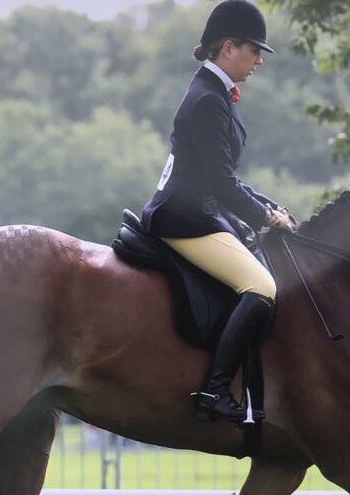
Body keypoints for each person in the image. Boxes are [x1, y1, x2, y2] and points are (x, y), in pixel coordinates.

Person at [140, 0, 294, 424]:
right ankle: (213, 389)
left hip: (201, 211)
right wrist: (265, 217)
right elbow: (221, 184)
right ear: (228, 47)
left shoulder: (214, 94)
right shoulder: (208, 100)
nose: (259, 60)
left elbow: (223, 176)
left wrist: (268, 206)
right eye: (254, 50)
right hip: (185, 218)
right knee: (261, 287)